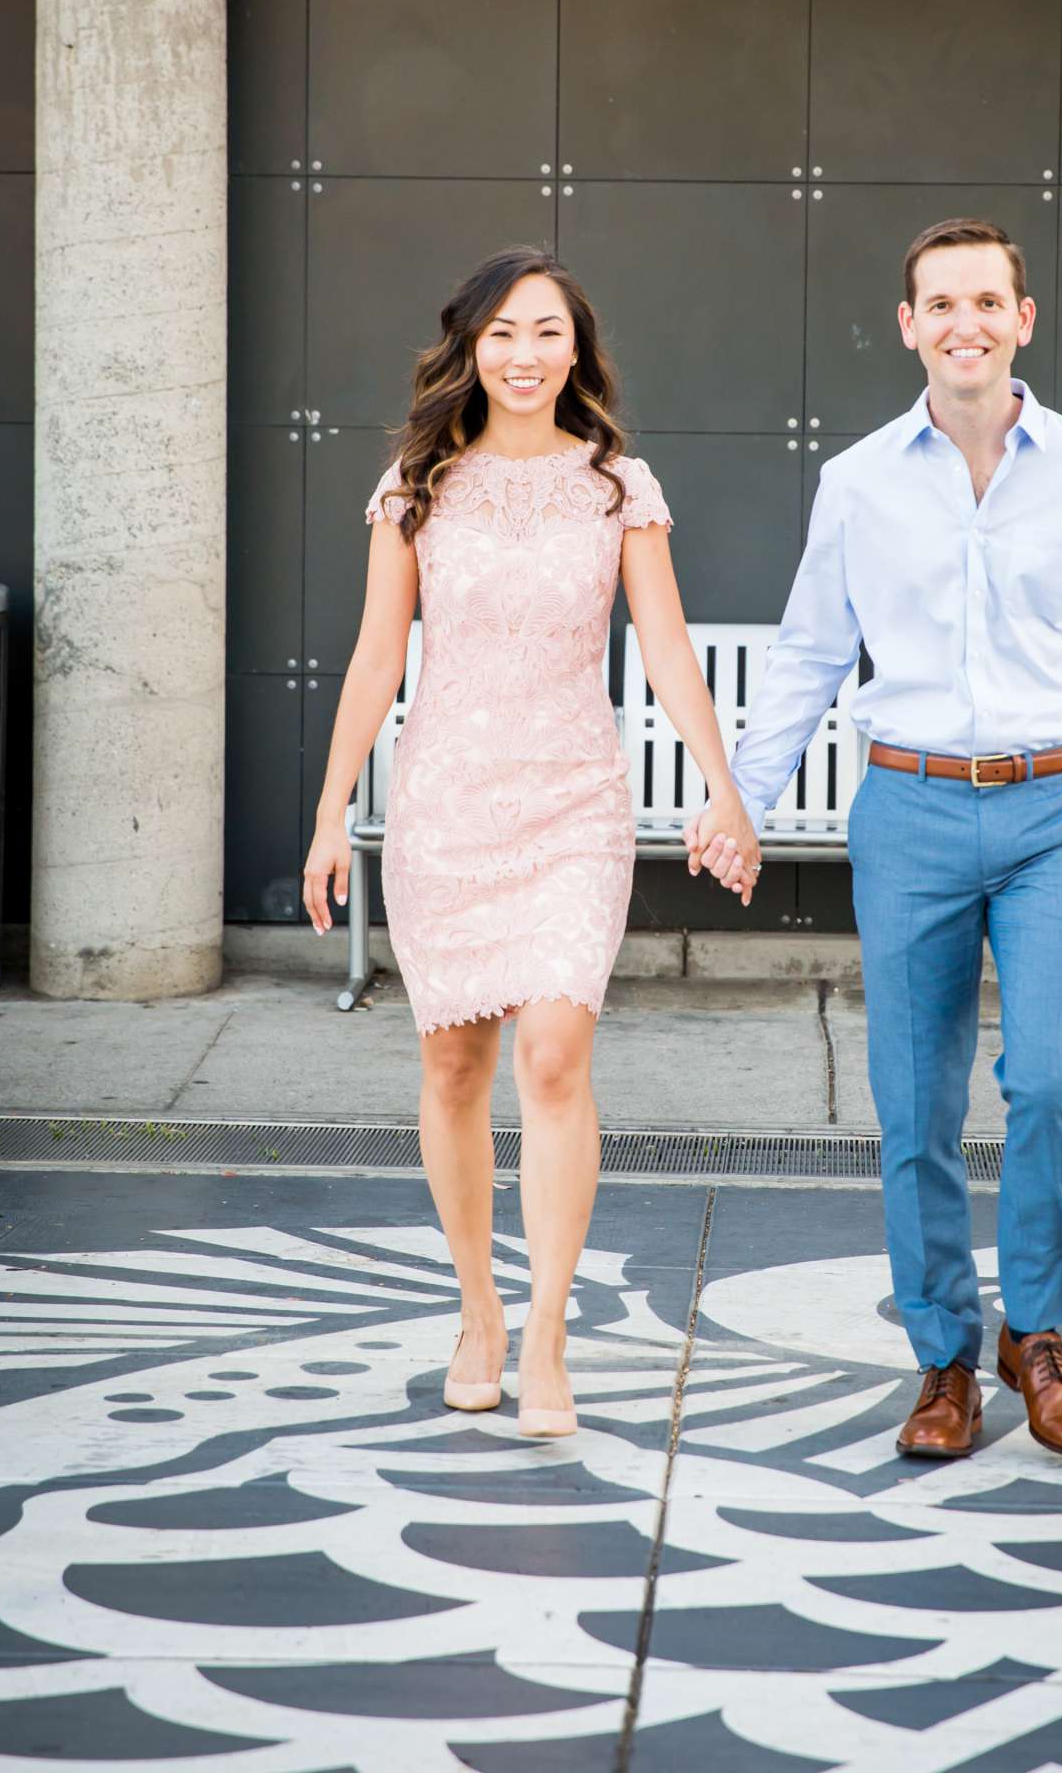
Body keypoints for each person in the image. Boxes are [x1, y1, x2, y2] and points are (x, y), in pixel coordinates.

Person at [687, 217, 1062, 1461]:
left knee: (1047, 1084)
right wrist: (741, 795)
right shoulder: (858, 481)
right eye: (939, 303)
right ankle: (943, 1360)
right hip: (909, 810)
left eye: (988, 300)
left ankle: (1040, 1336)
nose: (964, 322)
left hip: (1053, 814)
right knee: (914, 1106)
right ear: (908, 324)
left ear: (1023, 320)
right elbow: (810, 654)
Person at [303, 246, 756, 1437]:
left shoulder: (618, 487)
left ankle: (548, 1333)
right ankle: (479, 1313)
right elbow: (374, 654)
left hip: (573, 807)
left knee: (553, 1055)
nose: (523, 355)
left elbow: (664, 648)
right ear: (468, 346)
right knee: (454, 1067)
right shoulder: (414, 487)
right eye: (501, 332)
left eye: (546, 331)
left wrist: (722, 790)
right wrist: (329, 809)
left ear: (577, 349)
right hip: (445, 805)